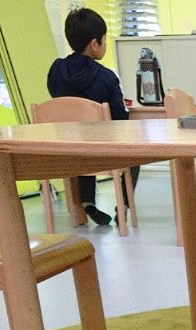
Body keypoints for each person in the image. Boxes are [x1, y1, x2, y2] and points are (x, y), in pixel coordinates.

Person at [46, 7, 137, 227]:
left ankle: (87, 201)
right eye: (104, 40)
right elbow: (120, 119)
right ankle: (123, 206)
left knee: (80, 134)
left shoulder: (56, 70)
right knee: (136, 152)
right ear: (94, 44)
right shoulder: (106, 77)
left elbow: (57, 100)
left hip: (67, 149)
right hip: (100, 151)